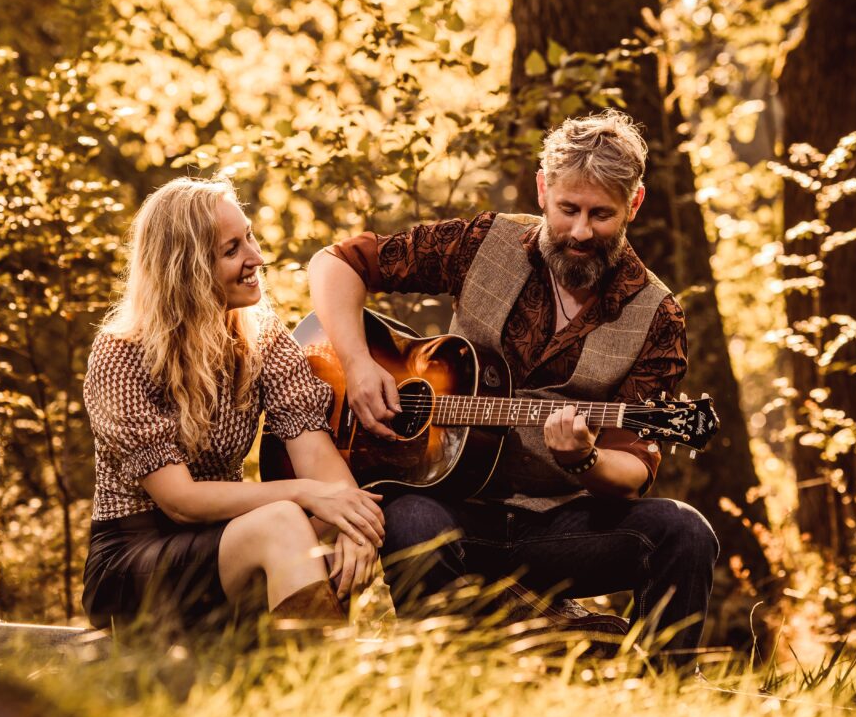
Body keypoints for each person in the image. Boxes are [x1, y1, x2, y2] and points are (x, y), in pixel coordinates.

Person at [307, 110, 719, 653]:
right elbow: (335, 264)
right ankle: (455, 670)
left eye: (601, 215)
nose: (580, 231)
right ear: (542, 189)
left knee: (685, 532)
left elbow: (635, 471)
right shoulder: (484, 242)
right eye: (568, 209)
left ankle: (662, 695)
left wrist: (584, 459)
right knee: (410, 522)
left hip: (558, 530)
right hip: (448, 509)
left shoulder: (656, 314)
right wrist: (359, 365)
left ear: (634, 205)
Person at [82, 175, 384, 631]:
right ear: (186, 268)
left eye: (250, 236)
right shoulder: (120, 355)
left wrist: (351, 523)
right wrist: (304, 495)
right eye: (232, 250)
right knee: (286, 520)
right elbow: (180, 502)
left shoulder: (260, 336)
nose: (256, 257)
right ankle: (325, 681)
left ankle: (305, 675)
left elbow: (317, 456)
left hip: (222, 542)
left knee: (340, 522)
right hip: (132, 563)